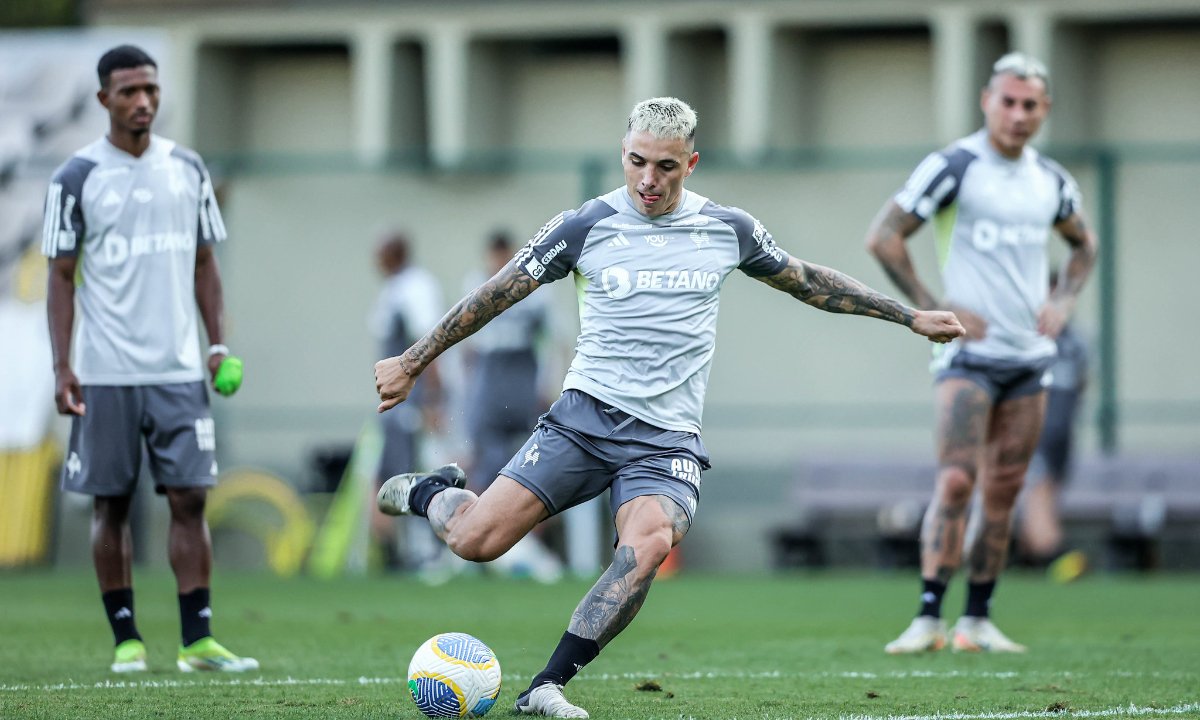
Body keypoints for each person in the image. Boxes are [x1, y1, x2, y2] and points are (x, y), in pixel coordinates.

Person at [375, 96, 963, 718]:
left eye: (665, 168)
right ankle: (431, 494)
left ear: (691, 164)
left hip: (666, 439)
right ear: (622, 156)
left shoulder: (727, 229)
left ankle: (546, 686)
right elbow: (494, 296)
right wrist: (413, 360)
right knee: (474, 541)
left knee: (650, 542)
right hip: (582, 420)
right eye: (637, 163)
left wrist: (908, 316)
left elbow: (809, 280)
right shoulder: (584, 226)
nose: (648, 181)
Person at [866, 52, 1097, 654]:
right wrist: (929, 306)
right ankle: (926, 618)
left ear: (1044, 111)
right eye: (1009, 102)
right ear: (987, 101)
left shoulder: (1051, 180)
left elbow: (1083, 247)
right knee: (958, 479)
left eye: (1031, 105)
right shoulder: (956, 165)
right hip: (967, 358)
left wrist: (1066, 301)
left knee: (1004, 489)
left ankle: (977, 621)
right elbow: (884, 236)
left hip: (1028, 360)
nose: (1018, 114)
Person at [43, 45, 257, 673]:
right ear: (104, 98)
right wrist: (63, 366)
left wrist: (216, 342)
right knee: (112, 504)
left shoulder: (187, 168)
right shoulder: (76, 177)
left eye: (151, 90)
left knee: (190, 498)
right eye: (130, 91)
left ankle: (197, 642)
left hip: (179, 370)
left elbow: (204, 263)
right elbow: (60, 276)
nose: (143, 102)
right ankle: (127, 641)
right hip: (105, 371)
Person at [460, 231, 563, 582]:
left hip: (523, 384)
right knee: (484, 468)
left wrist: (549, 387)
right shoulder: (477, 284)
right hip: (489, 383)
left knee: (535, 469)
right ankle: (471, 549)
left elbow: (553, 342)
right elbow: (467, 347)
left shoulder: (535, 288)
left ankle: (531, 554)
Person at [368, 231, 446, 572]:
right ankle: (396, 555)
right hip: (393, 405)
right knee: (387, 475)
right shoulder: (393, 288)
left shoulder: (416, 287)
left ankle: (426, 554)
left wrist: (432, 400)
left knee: (413, 473)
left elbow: (427, 344)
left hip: (411, 403)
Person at [1017, 272, 1089, 577]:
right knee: (1039, 486)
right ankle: (1052, 553)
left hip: (1063, 430)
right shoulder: (1026, 336)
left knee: (1052, 487)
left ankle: (1029, 553)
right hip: (1037, 428)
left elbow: (1083, 382)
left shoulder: (1075, 341)